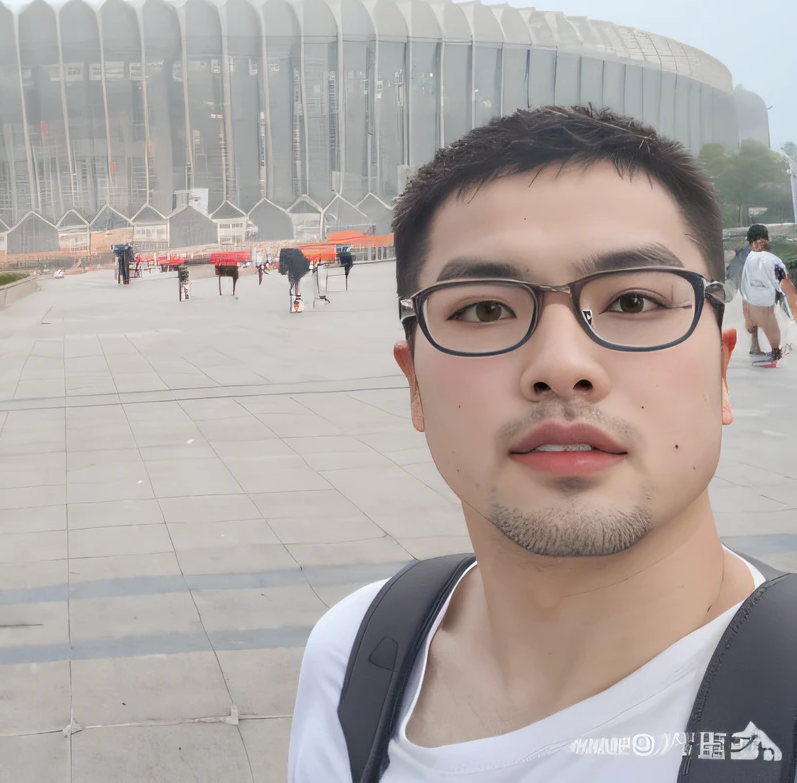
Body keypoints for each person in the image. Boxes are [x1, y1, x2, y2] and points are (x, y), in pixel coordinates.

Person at [289, 106, 788, 781]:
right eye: (485, 309)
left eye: (635, 301)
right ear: (415, 387)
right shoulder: (355, 656)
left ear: (722, 371)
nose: (560, 364)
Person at [738, 223, 788, 364]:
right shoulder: (771, 259)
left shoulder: (749, 258)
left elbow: (744, 282)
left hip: (752, 294)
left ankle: (756, 346)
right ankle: (774, 351)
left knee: (755, 318)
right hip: (764, 296)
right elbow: (779, 279)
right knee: (768, 319)